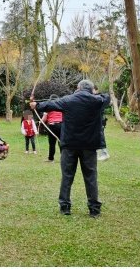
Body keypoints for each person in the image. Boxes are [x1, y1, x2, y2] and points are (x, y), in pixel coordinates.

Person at [30, 79, 111, 217]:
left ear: (78, 88)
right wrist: (93, 93)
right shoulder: (98, 101)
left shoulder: (68, 100)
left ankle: (65, 207)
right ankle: (94, 209)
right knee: (91, 177)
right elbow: (107, 96)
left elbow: (50, 104)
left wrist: (36, 105)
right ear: (91, 89)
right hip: (89, 146)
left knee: (67, 176)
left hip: (69, 145)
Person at [42, 96, 64, 163]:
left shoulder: (49, 107)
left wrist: (41, 122)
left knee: (52, 143)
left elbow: (44, 119)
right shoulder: (61, 106)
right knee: (61, 142)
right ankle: (63, 159)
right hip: (61, 125)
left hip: (52, 125)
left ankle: (51, 159)